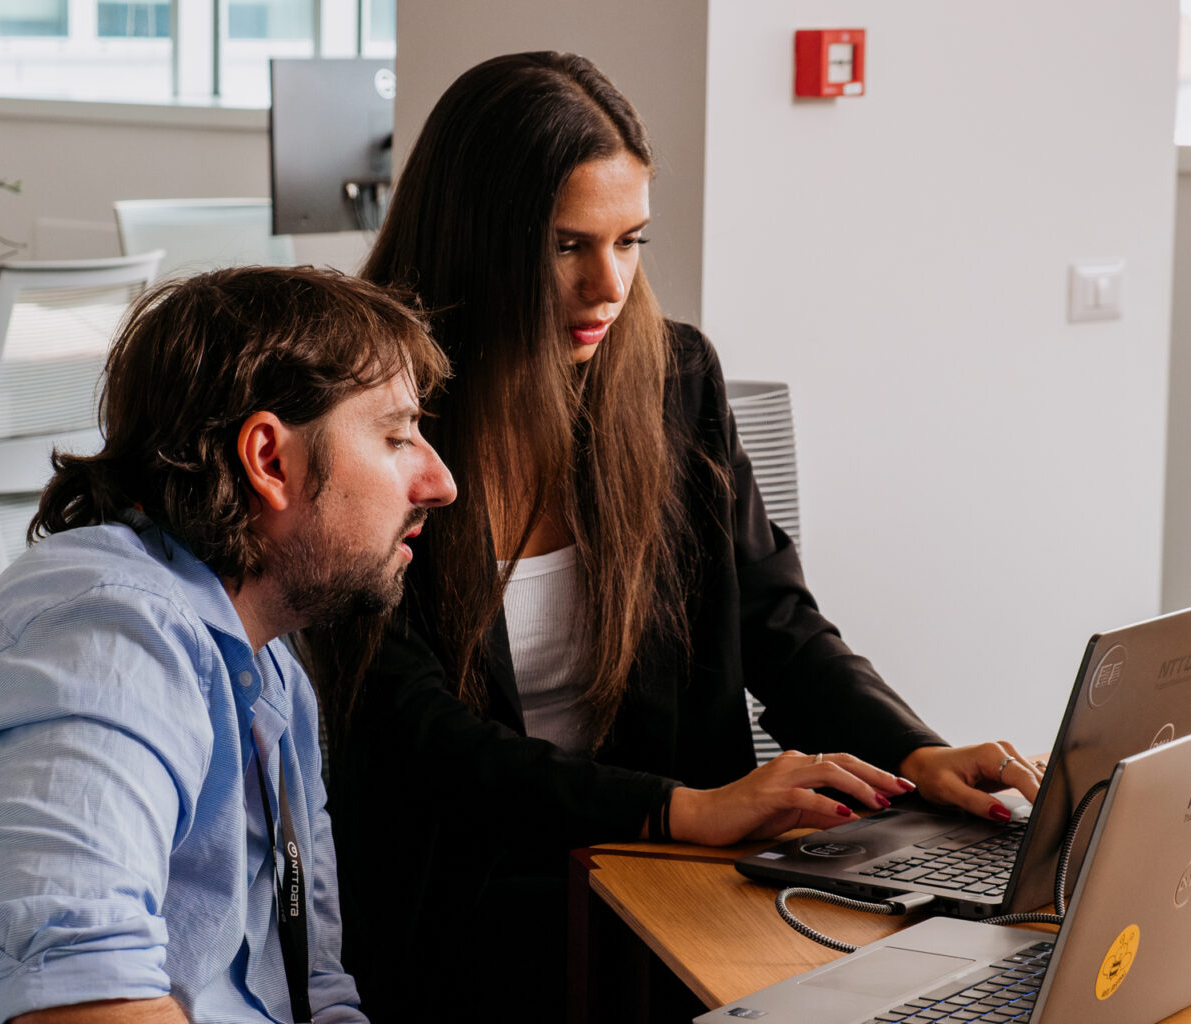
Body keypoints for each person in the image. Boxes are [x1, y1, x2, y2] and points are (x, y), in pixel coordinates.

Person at [302, 52, 1044, 1023]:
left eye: (631, 240)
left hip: (671, 885)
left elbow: (779, 622)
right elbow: (416, 739)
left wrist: (915, 754)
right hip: (468, 904)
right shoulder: (373, 418)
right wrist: (677, 809)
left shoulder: (672, 380)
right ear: (480, 237)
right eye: (568, 245)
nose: (607, 284)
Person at [0, 266, 456, 1024]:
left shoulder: (270, 676)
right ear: (269, 461)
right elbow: (87, 1005)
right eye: (396, 437)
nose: (439, 480)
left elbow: (313, 991)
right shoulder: (105, 646)